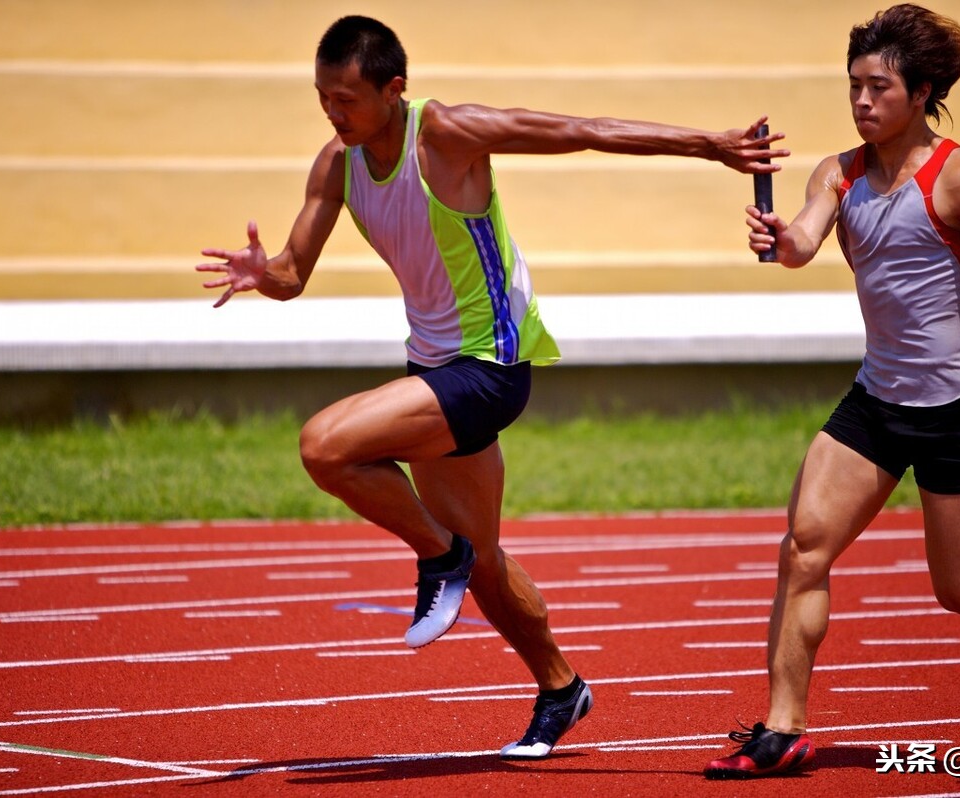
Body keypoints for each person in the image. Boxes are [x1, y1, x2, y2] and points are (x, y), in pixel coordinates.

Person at [197, 15, 788, 760]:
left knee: (324, 446)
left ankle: (438, 556)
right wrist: (264, 276)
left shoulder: (445, 133)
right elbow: (292, 271)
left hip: (492, 366)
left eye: (345, 99)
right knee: (487, 561)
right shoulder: (337, 164)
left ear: (394, 90)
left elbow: (583, 129)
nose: (332, 113)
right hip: (434, 369)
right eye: (322, 97)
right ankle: (560, 686)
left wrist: (708, 145)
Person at [704, 3, 960, 780]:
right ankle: (783, 730)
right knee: (804, 547)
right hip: (875, 405)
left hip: (956, 408)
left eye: (878, 88)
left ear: (920, 94)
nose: (861, 102)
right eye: (854, 86)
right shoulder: (837, 173)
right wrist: (781, 242)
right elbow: (804, 241)